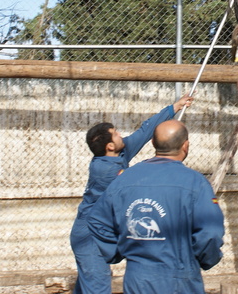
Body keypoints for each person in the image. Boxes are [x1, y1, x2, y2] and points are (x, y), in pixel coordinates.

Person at [70, 94, 193, 294]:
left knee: (88, 286)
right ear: (110, 146)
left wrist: (174, 108)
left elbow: (144, 132)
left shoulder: (119, 152)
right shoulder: (104, 170)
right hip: (90, 236)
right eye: (116, 134)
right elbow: (136, 181)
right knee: (98, 285)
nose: (120, 135)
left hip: (101, 229)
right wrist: (166, 161)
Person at [87, 119, 225, 294]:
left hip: (137, 279)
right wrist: (204, 260)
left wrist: (117, 252)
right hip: (180, 278)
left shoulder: (124, 179)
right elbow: (210, 233)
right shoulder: (195, 183)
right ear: (186, 146)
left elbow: (97, 220)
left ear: (153, 143)